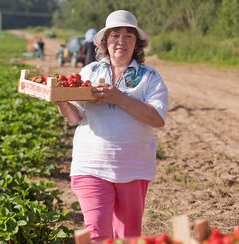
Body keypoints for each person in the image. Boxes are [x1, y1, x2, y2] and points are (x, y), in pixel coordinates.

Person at [56, 10, 168, 241]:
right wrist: (61, 101)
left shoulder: (149, 76)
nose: (121, 41)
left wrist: (120, 98)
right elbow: (75, 117)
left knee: (127, 236)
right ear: (106, 41)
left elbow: (157, 119)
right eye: (115, 35)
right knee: (96, 233)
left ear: (136, 43)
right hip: (91, 165)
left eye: (128, 36)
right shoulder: (89, 72)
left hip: (133, 168)